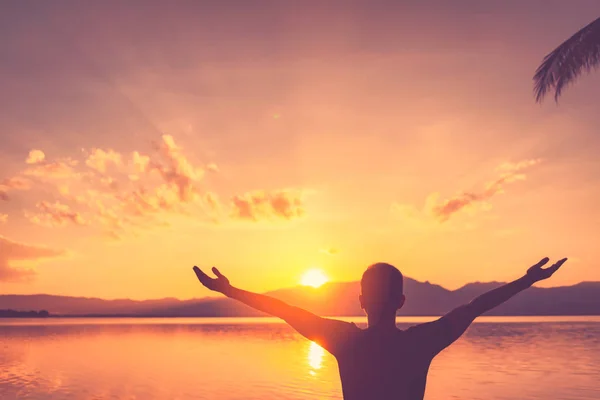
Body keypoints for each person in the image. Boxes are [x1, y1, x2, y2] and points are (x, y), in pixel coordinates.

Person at [193, 256, 567, 400]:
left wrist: (229, 290)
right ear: (402, 302)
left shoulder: (344, 340)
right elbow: (475, 307)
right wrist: (526, 280)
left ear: (361, 302)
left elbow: (283, 309)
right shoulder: (421, 343)